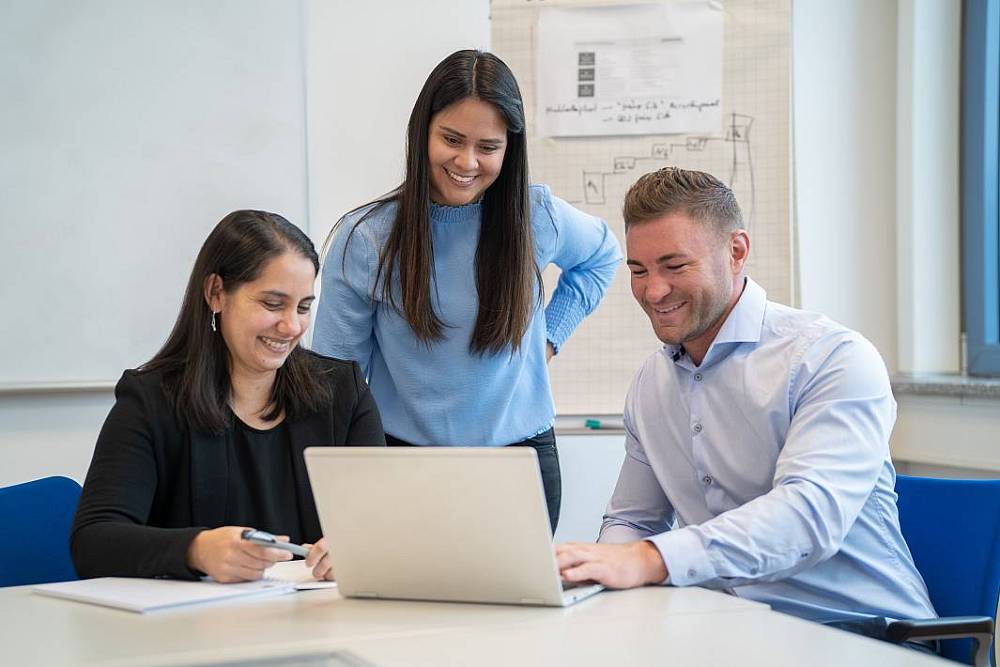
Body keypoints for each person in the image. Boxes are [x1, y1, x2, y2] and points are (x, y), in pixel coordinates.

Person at [556, 168, 937, 638]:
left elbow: (806, 517)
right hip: (731, 630)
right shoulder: (651, 383)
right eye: (639, 271)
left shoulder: (831, 359)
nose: (653, 291)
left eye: (675, 266)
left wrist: (651, 559)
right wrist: (597, 572)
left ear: (736, 251)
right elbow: (633, 519)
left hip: (865, 636)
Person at [312, 49, 622, 533]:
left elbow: (602, 257)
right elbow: (337, 381)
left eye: (488, 146)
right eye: (452, 139)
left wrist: (548, 338)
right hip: (403, 462)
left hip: (522, 463)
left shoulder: (536, 217)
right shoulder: (366, 238)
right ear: (423, 133)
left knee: (517, 609)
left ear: (509, 149)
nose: (467, 161)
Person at [71, 210, 385, 583]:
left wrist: (359, 546)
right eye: (272, 304)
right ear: (216, 293)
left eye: (303, 307)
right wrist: (197, 550)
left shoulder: (342, 392)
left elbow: (385, 521)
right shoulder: (151, 400)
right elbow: (93, 542)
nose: (292, 326)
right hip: (193, 632)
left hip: (319, 622)